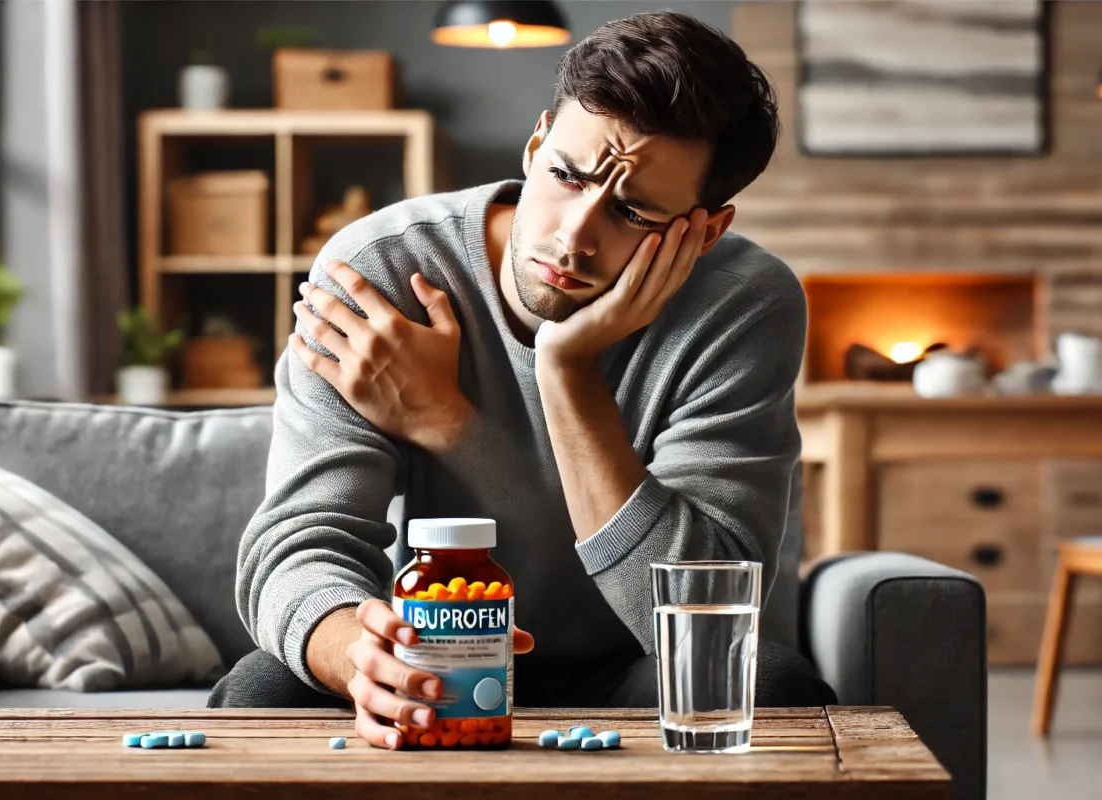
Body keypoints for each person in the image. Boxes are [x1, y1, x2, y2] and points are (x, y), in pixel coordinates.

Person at [209, 10, 837, 745]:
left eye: (632, 212)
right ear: (537, 142)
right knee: (264, 685)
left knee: (769, 683)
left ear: (706, 231)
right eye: (566, 175)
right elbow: (298, 544)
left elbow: (701, 607)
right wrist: (362, 658)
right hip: (434, 652)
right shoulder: (381, 269)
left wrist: (562, 371)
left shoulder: (744, 305)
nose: (573, 238)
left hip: (631, 666)